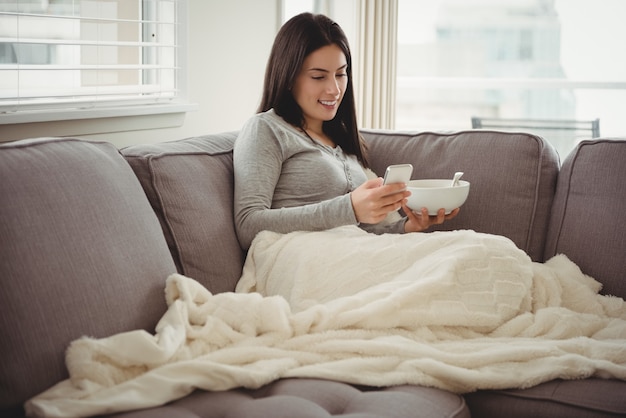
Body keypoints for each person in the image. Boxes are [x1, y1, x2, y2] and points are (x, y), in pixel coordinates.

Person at [233, 12, 459, 250]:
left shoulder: (340, 139)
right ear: (288, 77)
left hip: (351, 256)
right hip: (302, 259)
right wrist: (349, 208)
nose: (334, 89)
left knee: (472, 249)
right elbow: (248, 224)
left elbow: (357, 233)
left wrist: (406, 228)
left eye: (341, 74)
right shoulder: (266, 129)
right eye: (319, 76)